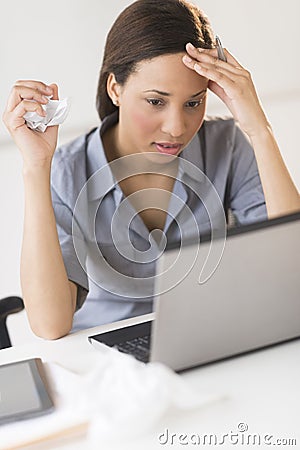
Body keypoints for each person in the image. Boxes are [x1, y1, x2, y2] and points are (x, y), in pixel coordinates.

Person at [3, 0, 300, 339]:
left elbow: (292, 273)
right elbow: (49, 325)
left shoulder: (227, 145)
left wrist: (259, 130)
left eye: (194, 102)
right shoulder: (69, 171)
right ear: (115, 88)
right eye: (156, 101)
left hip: (209, 340)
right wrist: (36, 166)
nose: (176, 127)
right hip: (107, 362)